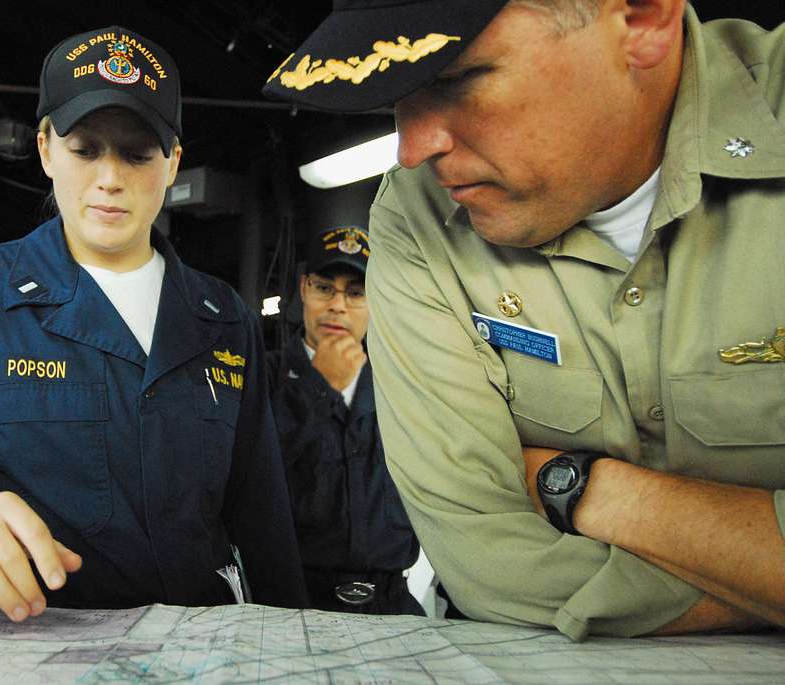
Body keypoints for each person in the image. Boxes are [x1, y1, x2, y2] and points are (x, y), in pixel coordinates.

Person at [264, 0, 785, 640]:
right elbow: (488, 565)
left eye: (458, 78)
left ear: (644, 19)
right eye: (398, 97)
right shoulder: (416, 217)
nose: (411, 149)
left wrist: (589, 491)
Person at [0, 26, 307, 623]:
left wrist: (291, 640)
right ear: (45, 148)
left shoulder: (222, 317)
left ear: (173, 161)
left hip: (196, 652)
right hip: (28, 650)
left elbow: (261, 515)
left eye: (138, 152)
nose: (110, 178)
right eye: (86, 148)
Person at [267, 226, 423, 615]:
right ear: (303, 288)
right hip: (289, 601)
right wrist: (317, 388)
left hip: (392, 603)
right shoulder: (258, 374)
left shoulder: (404, 385)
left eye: (356, 293)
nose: (338, 305)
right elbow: (251, 475)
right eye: (325, 289)